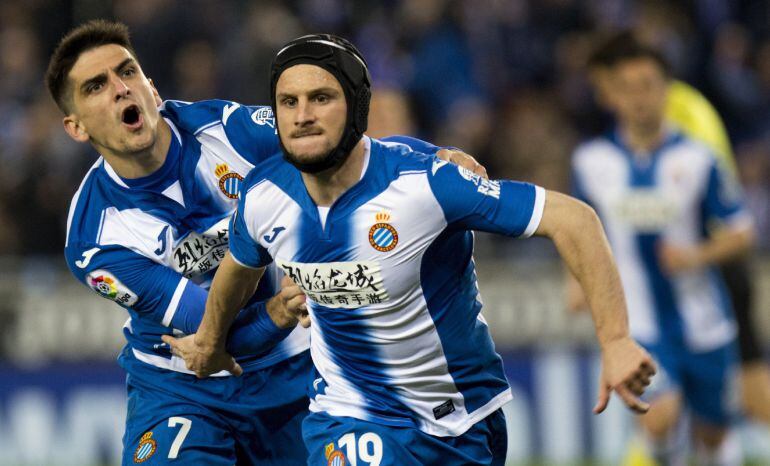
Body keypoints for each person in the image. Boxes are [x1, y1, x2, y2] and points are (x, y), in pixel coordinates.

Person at [165, 34, 655, 465]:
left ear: (356, 107)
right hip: (348, 414)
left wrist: (614, 341)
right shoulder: (263, 195)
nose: (302, 116)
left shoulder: (426, 184)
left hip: (461, 422)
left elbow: (575, 220)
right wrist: (210, 339)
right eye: (287, 102)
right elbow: (240, 266)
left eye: (320, 98)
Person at [46, 20, 481, 465]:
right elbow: (213, 332)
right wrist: (277, 311)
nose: (121, 89)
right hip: (185, 387)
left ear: (152, 90)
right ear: (76, 127)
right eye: (96, 86)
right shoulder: (95, 238)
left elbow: (339, 147)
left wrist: (433, 160)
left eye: (128, 71)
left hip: (298, 369)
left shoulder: (227, 129)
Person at [569, 34, 756, 465]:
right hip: (639, 322)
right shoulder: (592, 163)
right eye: (629, 88)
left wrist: (695, 257)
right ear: (612, 96)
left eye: (649, 85)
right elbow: (580, 228)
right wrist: (575, 280)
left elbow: (742, 232)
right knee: (659, 418)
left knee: (713, 434)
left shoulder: (699, 159)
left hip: (705, 319)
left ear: (666, 91)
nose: (640, 98)